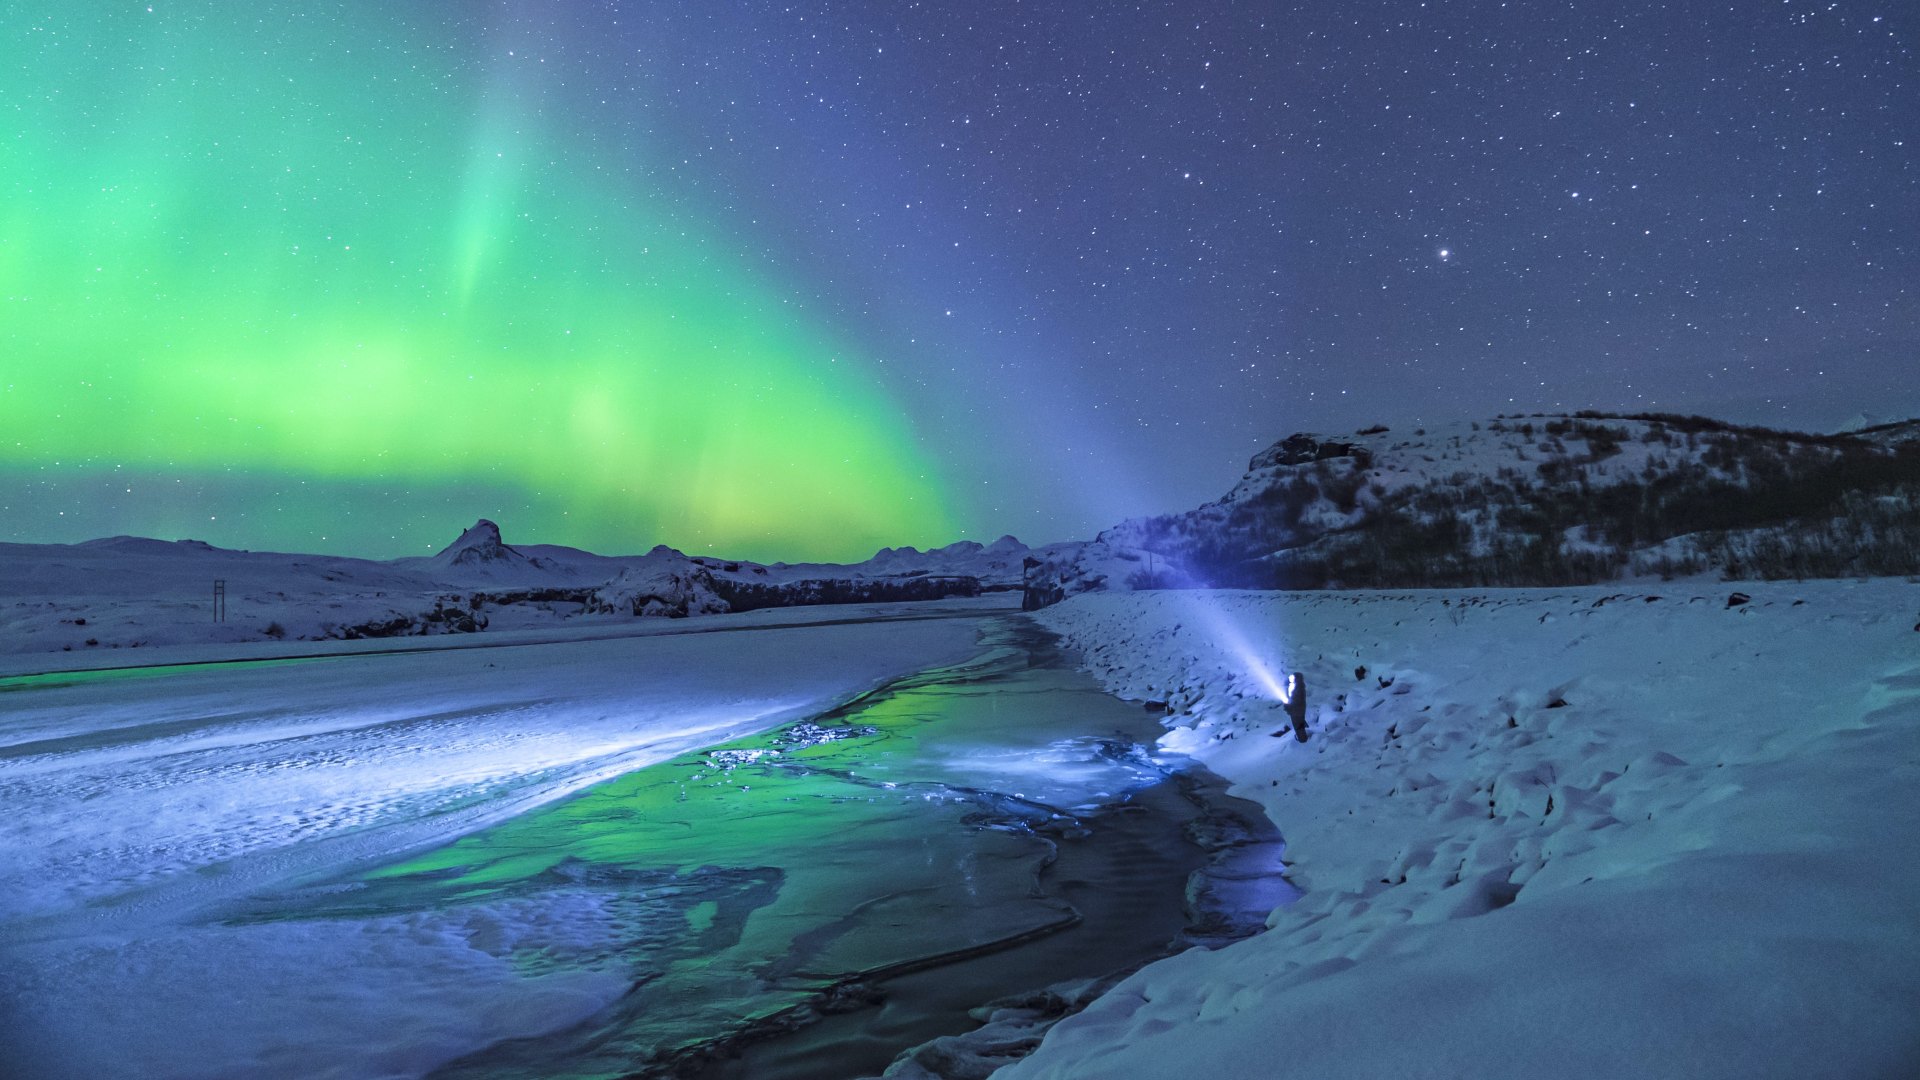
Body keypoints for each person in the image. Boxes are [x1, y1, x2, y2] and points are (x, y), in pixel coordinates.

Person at [1272, 672, 1308, 742]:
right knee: (1299, 726)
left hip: (1297, 712)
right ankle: (1302, 738)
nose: (1292, 679)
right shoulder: (1298, 687)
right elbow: (1292, 700)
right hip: (1297, 711)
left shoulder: (1299, 689)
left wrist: (1288, 707)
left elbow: (1296, 702)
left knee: (1298, 727)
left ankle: (1303, 740)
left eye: (1294, 678)